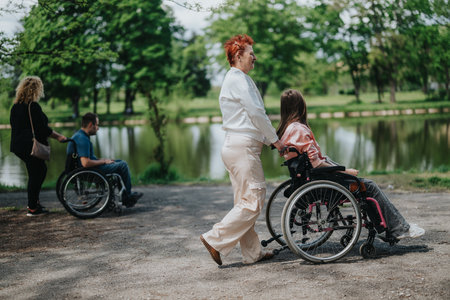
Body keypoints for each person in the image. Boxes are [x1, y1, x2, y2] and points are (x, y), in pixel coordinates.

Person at [277, 89, 425, 240]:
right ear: (301, 106)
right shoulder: (300, 130)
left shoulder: (286, 131)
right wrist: (345, 171)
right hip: (321, 181)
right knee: (370, 186)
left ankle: (388, 227)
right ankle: (399, 228)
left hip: (307, 180)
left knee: (364, 185)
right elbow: (316, 164)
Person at [200, 34, 287, 266]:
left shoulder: (236, 78)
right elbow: (257, 113)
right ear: (238, 56)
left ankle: (252, 253)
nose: (254, 57)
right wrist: (275, 140)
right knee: (254, 200)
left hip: (235, 147)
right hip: (243, 148)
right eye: (251, 53)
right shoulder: (238, 79)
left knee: (244, 202)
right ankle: (214, 239)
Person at [10, 76, 67, 216]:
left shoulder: (15, 107)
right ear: (35, 89)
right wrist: (59, 136)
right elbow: (42, 129)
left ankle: (34, 204)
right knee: (39, 172)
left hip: (18, 146)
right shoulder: (33, 106)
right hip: (30, 145)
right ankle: (32, 207)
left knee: (35, 172)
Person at [66, 112, 143, 207]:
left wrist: (104, 160)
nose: (98, 128)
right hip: (89, 171)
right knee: (122, 165)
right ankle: (127, 196)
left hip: (88, 169)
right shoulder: (82, 139)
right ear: (91, 124)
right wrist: (103, 161)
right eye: (97, 125)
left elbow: (88, 159)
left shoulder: (79, 135)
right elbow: (85, 163)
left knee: (117, 162)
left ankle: (125, 194)